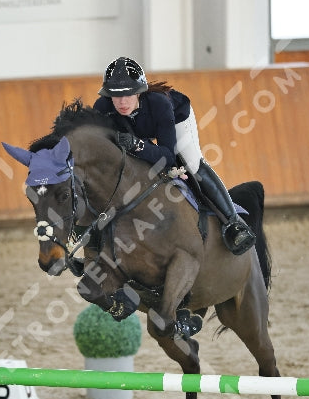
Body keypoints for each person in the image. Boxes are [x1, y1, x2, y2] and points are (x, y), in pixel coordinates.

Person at [93, 56, 255, 255]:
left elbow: (168, 156)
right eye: (115, 96)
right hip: (138, 130)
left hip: (177, 120)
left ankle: (233, 224)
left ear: (139, 92)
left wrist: (137, 145)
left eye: (128, 94)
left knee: (193, 165)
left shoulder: (159, 103)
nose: (122, 101)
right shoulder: (102, 109)